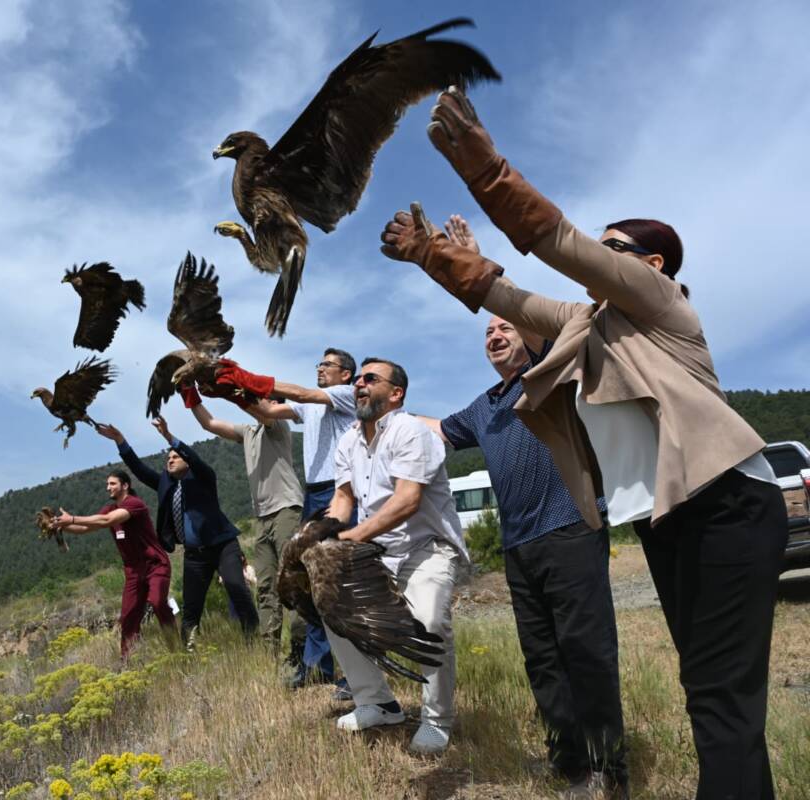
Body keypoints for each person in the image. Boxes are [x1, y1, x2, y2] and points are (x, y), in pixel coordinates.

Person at [381, 86, 787, 799]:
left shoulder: (663, 306)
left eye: (616, 252)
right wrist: (434, 257)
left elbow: (557, 242)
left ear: (650, 265)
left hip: (728, 499)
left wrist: (487, 172)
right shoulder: (584, 327)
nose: (601, 260)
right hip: (669, 520)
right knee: (710, 693)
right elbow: (505, 299)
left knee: (720, 697)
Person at [411, 224, 627, 795]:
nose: (494, 334)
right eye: (487, 331)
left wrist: (480, 269)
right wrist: (383, 409)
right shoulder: (484, 407)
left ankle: (609, 770)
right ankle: (569, 764)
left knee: (587, 654)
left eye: (504, 326)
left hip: (570, 531)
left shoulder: (550, 377)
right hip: (519, 547)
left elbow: (541, 322)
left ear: (528, 338)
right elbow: (432, 432)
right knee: (543, 660)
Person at [322, 356, 468, 755]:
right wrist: (322, 535)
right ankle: (378, 703)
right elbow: (342, 499)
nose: (360, 385)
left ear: (396, 392)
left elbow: (407, 501)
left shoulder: (411, 431)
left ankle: (437, 719)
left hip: (427, 547)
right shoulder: (349, 440)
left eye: (371, 379)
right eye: (359, 380)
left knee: (429, 621)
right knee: (332, 605)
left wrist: (349, 539)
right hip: (379, 551)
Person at [216, 350, 358, 688]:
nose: (320, 369)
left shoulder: (344, 396)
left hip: (341, 492)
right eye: (319, 364)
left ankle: (355, 676)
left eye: (328, 365)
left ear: (346, 374)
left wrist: (243, 376)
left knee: (340, 583)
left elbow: (302, 393)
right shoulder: (309, 407)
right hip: (314, 494)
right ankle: (316, 669)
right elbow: (265, 410)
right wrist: (227, 390)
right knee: (312, 583)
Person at [96, 417, 259, 648]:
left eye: (175, 457)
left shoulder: (203, 477)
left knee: (236, 588)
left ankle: (254, 643)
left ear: (187, 462)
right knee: (191, 608)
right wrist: (120, 441)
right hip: (195, 555)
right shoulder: (166, 484)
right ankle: (189, 651)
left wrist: (169, 437)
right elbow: (139, 469)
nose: (170, 460)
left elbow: (195, 459)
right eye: (168, 458)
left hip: (223, 546)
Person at [179, 383, 303, 656]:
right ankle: (269, 654)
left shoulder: (278, 426)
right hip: (261, 517)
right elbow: (209, 424)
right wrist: (190, 394)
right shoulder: (249, 433)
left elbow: (266, 413)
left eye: (263, 398)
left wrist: (228, 387)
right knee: (267, 588)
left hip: (286, 510)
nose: (257, 401)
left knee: (292, 582)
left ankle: (301, 651)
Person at [50, 469, 176, 658]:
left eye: (112, 484)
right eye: (107, 484)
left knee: (158, 602)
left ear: (125, 485)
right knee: (128, 616)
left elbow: (106, 521)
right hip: (133, 571)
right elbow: (85, 527)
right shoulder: (109, 508)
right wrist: (62, 525)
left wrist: (72, 518)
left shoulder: (134, 504)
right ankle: (128, 659)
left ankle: (176, 646)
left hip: (155, 565)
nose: (108, 487)